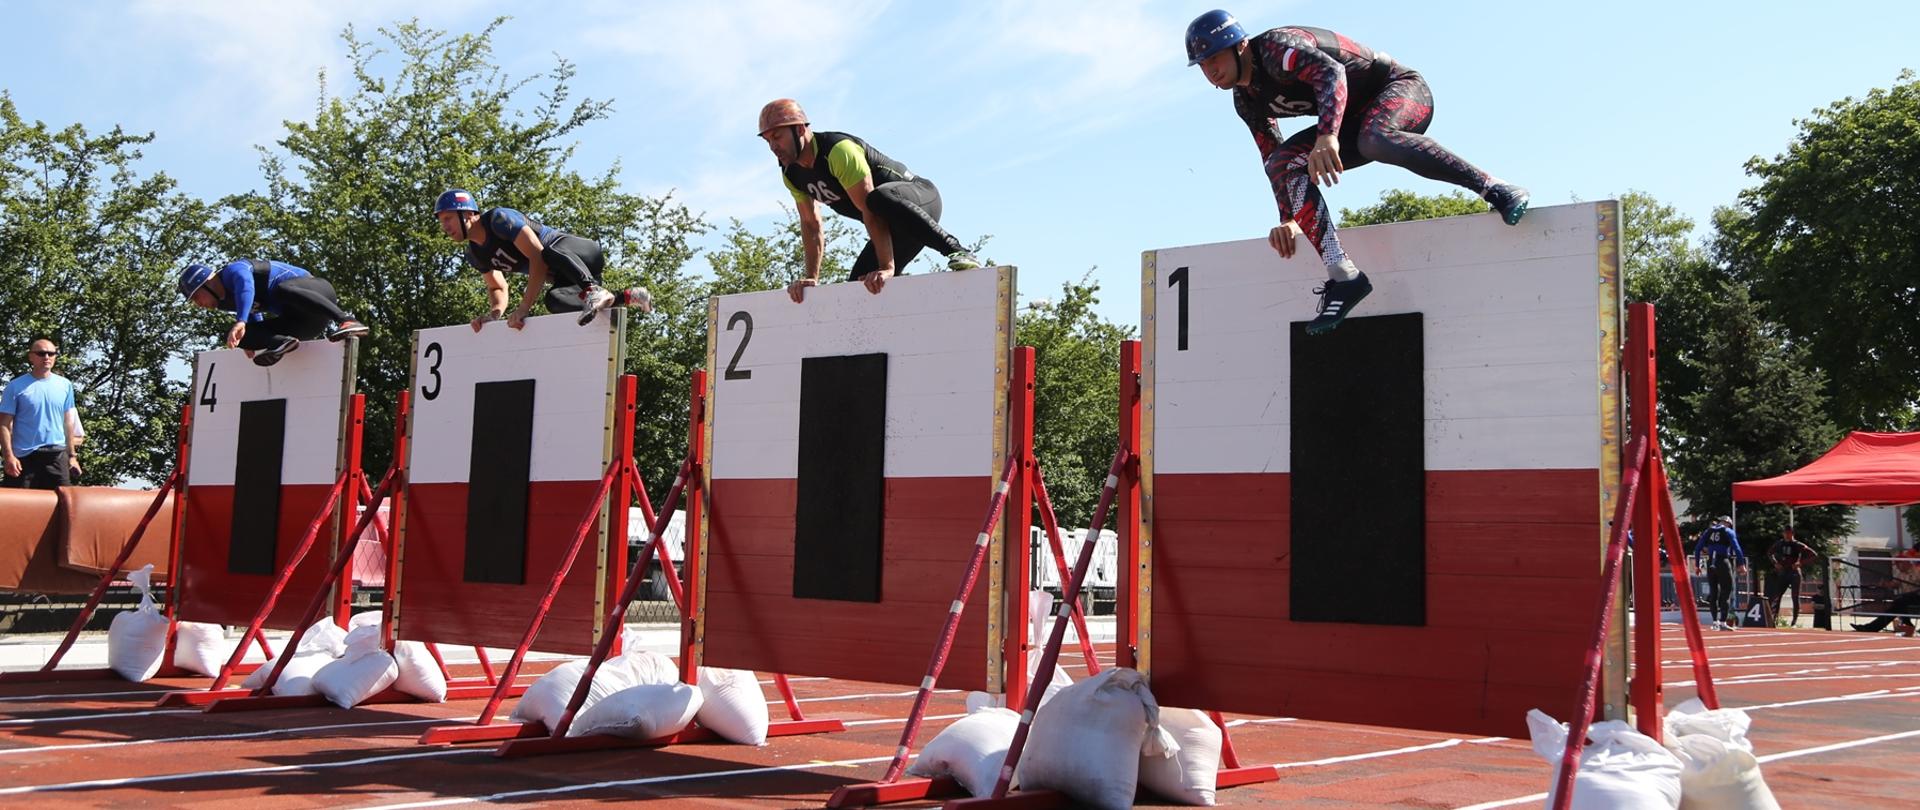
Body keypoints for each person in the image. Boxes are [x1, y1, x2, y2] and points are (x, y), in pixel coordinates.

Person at [1184, 10, 1530, 335]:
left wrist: (1328, 136)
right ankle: (1344, 274)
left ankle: (1496, 188)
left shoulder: (1277, 49)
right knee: (1284, 163)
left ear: (1240, 45)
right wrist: (1290, 218)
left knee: (1375, 139)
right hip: (1353, 119)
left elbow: (1332, 74)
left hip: (1399, 89)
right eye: (1203, 65)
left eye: (1215, 58)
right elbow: (1272, 155)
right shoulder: (1246, 101)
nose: (1211, 70)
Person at [756, 99, 984, 304]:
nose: (773, 147)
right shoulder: (791, 174)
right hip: (891, 227)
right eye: (768, 141)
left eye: (777, 137)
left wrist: (886, 268)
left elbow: (870, 210)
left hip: (920, 201)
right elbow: (810, 225)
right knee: (857, 292)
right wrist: (811, 278)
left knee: (877, 199)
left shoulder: (838, 151)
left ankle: (958, 250)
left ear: (799, 130)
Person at [433, 190, 651, 331]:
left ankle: (592, 289)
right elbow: (497, 286)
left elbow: (537, 258)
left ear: (468, 214)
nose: (445, 227)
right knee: (554, 301)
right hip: (566, 277)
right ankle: (628, 296)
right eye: (442, 221)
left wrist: (524, 308)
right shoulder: (475, 254)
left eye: (448, 218)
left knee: (546, 251)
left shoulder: (499, 220)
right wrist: (494, 315)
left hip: (581, 255)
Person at [178, 260, 370, 367]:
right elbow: (254, 310)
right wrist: (255, 338)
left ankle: (347, 320)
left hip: (317, 296)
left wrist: (241, 321)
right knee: (235, 336)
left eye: (196, 298)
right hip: (304, 323)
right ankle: (279, 342)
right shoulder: (222, 302)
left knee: (281, 289)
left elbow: (247, 289)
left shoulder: (233, 271)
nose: (198, 305)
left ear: (206, 284)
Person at [1, 339, 85, 488]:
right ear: (31, 357)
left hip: (57, 455)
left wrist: (72, 457)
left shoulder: (65, 385)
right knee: (17, 507)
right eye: (41, 353)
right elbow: (4, 424)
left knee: (64, 504)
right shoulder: (15, 386)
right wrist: (8, 457)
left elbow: (68, 422)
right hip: (24, 457)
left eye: (51, 353)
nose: (46, 357)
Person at [1693, 516, 1748, 630]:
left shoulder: (1709, 531)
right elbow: (1737, 548)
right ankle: (1723, 621)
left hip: (1710, 562)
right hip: (1723, 561)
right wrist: (1741, 564)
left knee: (1714, 593)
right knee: (1727, 591)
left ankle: (1714, 622)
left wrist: (1697, 565)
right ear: (1728, 523)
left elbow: (1698, 548)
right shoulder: (1727, 531)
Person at [1764, 528, 1819, 626]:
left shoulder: (1797, 544)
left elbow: (1813, 554)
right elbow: (1769, 553)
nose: (1787, 535)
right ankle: (1774, 618)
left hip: (1794, 573)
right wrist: (1775, 563)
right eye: (1785, 533)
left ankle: (1794, 620)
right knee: (1777, 595)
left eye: (1789, 533)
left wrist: (1800, 563)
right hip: (1783, 572)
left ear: (1792, 534)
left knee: (1795, 596)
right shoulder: (1779, 544)